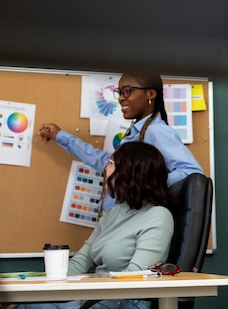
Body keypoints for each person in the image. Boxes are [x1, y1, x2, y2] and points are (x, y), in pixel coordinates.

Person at [0, 142, 174, 309]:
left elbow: (135, 277)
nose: (105, 168)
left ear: (130, 171)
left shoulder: (158, 216)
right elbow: (80, 263)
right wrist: (27, 294)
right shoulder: (111, 214)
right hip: (90, 300)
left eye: (110, 162)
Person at [37, 71, 203, 211]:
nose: (121, 98)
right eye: (119, 92)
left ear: (150, 94)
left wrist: (145, 185)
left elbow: (192, 171)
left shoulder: (156, 131)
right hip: (117, 223)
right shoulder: (138, 130)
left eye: (127, 91)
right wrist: (61, 136)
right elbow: (106, 162)